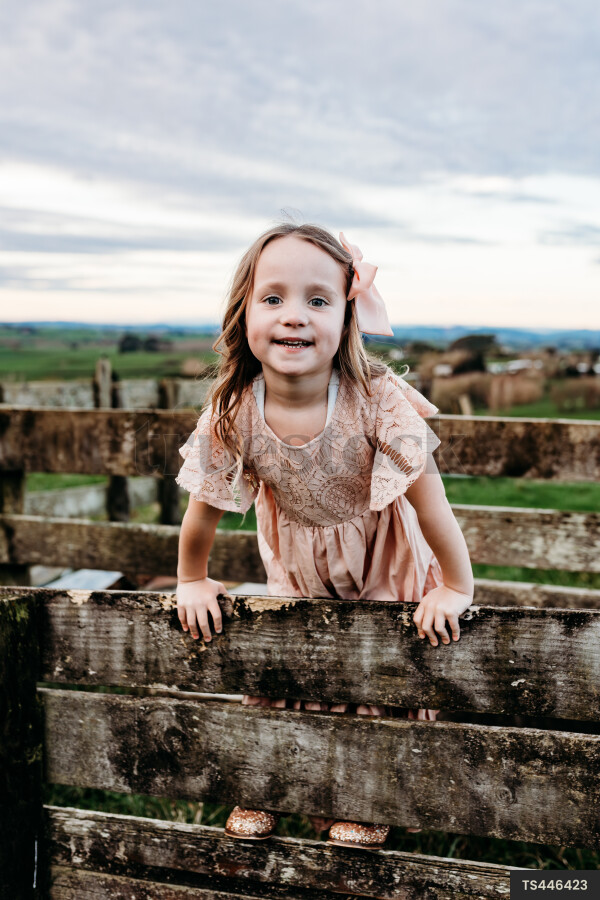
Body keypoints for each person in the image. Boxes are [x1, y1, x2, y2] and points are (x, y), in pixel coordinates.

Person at [175, 223, 474, 848]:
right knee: (295, 661)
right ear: (244, 312)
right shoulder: (234, 409)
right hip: (298, 558)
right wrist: (192, 579)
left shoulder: (375, 401)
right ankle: (273, 783)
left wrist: (453, 584)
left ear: (347, 317)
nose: (294, 317)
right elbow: (203, 508)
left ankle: (365, 793)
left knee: (380, 665)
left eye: (318, 300)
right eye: (273, 298)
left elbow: (431, 503)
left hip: (382, 555)